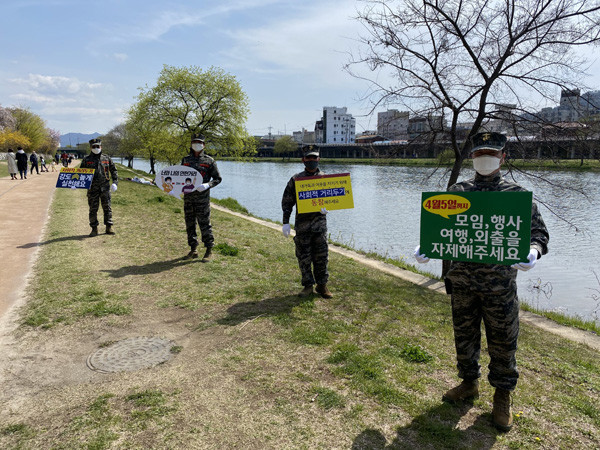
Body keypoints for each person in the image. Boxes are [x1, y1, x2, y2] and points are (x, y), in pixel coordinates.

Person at [414, 132, 549, 432]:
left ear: (503, 157)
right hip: (462, 283)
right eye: (479, 153)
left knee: (503, 341)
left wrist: (533, 251)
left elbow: (539, 234)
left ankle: (502, 396)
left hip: (499, 286)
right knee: (464, 336)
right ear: (472, 157)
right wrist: (427, 246)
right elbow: (442, 229)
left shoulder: (517, 196)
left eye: (491, 152)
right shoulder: (457, 191)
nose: (484, 158)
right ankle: (468, 382)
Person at [281, 145, 332, 298]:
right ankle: (308, 286)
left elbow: (334, 199)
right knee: (304, 257)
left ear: (319, 159)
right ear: (303, 160)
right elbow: (287, 202)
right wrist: (285, 222)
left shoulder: (326, 178)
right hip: (302, 226)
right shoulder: (296, 179)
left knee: (322, 257)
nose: (311, 160)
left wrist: (328, 207)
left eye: (314, 157)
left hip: (319, 226)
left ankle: (322, 286)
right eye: (308, 157)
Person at [180, 133, 222, 261]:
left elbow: (218, 179)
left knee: (205, 224)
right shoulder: (185, 160)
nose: (196, 144)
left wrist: (207, 185)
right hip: (188, 198)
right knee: (189, 224)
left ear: (203, 145)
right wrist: (173, 188)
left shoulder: (209, 161)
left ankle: (209, 250)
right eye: (194, 142)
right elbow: (180, 177)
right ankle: (193, 249)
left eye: (199, 142)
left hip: (202, 199)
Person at [80, 138, 118, 236]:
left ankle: (109, 227)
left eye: (98, 146)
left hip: (105, 187)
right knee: (93, 209)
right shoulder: (86, 160)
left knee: (107, 207)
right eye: (94, 146)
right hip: (92, 188)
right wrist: (75, 184)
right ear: (90, 147)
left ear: (101, 147)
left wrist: (115, 182)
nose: (96, 148)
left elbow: (113, 170)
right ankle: (94, 228)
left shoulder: (106, 158)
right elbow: (80, 173)